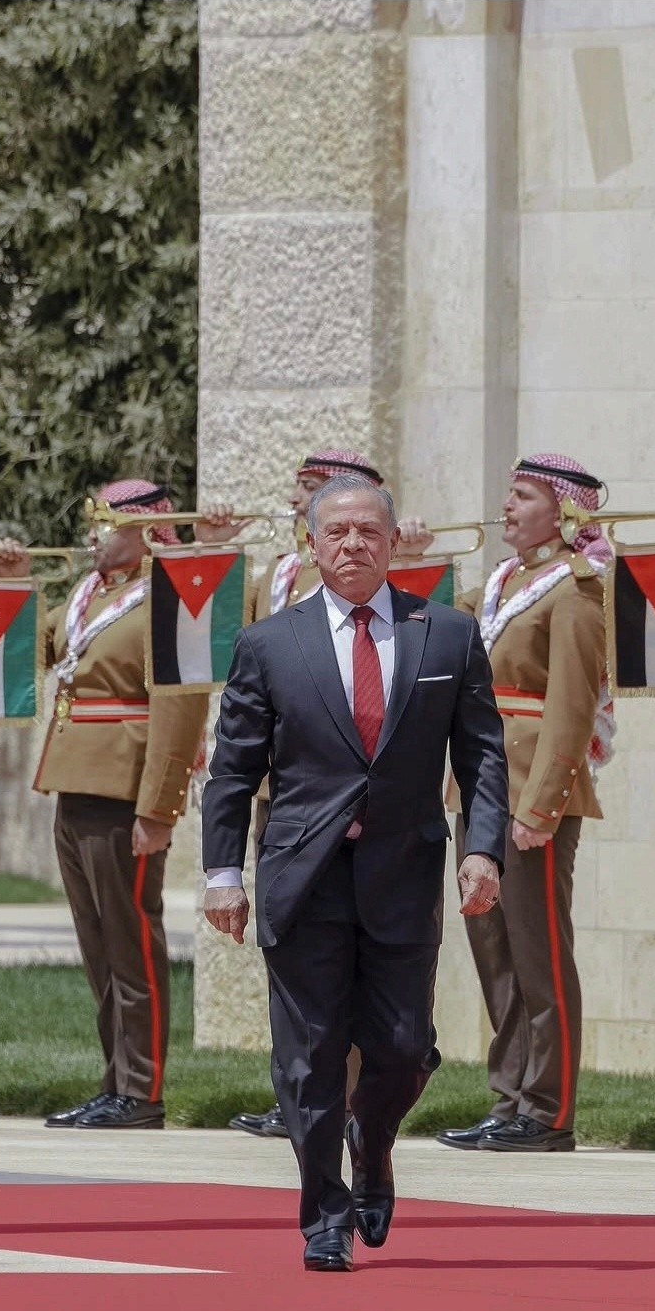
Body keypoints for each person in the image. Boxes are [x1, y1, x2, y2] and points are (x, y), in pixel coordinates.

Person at [202, 472, 508, 1272]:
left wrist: (482, 849)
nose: (353, 545)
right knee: (309, 1057)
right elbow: (233, 771)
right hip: (302, 877)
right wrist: (221, 873)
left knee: (403, 1048)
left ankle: (373, 1141)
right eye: (337, 532)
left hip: (403, 872)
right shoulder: (270, 643)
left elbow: (482, 754)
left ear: (394, 541)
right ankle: (324, 1218)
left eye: (369, 531)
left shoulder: (447, 635)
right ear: (312, 544)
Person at [403, 454, 614, 1154]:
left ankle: (548, 1108)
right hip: (483, 787)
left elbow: (572, 708)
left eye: (523, 495)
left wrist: (542, 806)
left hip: (530, 796)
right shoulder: (502, 583)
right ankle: (510, 1095)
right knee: (494, 951)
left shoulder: (575, 589)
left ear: (564, 511)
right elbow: (430, 620)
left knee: (538, 954)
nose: (508, 506)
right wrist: (411, 559)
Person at [9, 480, 208, 1130]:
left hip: (125, 789)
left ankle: (142, 1090)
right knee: (98, 943)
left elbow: (179, 707)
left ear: (147, 530)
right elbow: (29, 650)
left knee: (131, 941)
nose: (93, 534)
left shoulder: (166, 597)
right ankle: (115, 1080)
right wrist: (11, 582)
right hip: (73, 779)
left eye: (106, 522)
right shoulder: (89, 594)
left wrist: (158, 808)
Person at [198, 450, 382, 1141]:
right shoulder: (278, 576)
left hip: (361, 800)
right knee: (296, 959)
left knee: (367, 968)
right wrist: (209, 551)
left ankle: (353, 1102)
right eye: (303, 491)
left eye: (316, 489)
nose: (300, 498)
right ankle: (304, 1095)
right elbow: (221, 640)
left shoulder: (374, 574)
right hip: (288, 793)